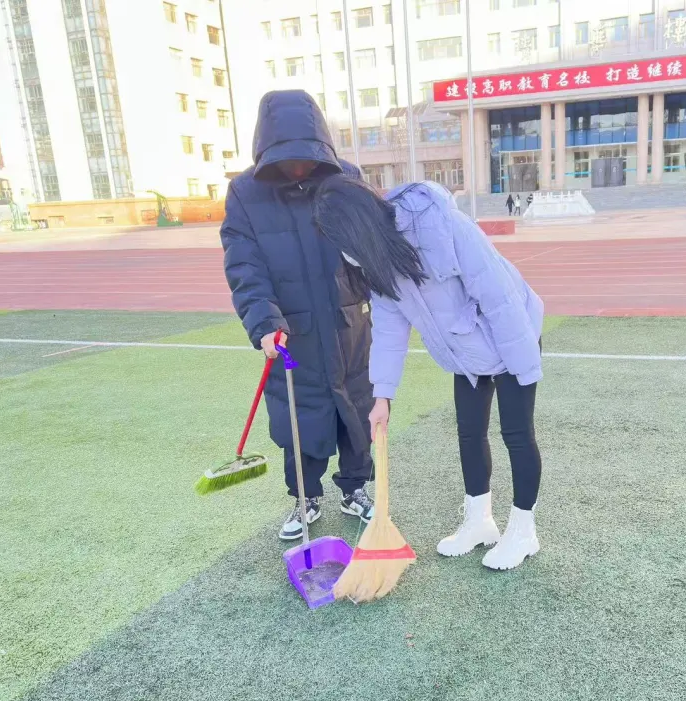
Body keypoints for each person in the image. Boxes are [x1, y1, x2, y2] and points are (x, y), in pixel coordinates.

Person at [311, 176, 545, 571]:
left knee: (517, 435)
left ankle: (523, 532)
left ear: (356, 227)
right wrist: (382, 396)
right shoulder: (376, 262)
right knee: (469, 433)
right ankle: (479, 521)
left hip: (511, 337)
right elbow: (389, 330)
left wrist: (523, 365)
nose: (343, 254)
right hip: (466, 353)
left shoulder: (442, 226)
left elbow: (500, 296)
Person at [221, 90, 376, 542]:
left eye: (307, 158)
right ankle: (305, 498)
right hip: (292, 334)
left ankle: (355, 488)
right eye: (288, 160)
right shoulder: (245, 192)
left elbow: (372, 245)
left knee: (357, 412)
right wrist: (264, 322)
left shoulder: (346, 177)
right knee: (299, 418)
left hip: (349, 327)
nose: (299, 168)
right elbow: (244, 264)